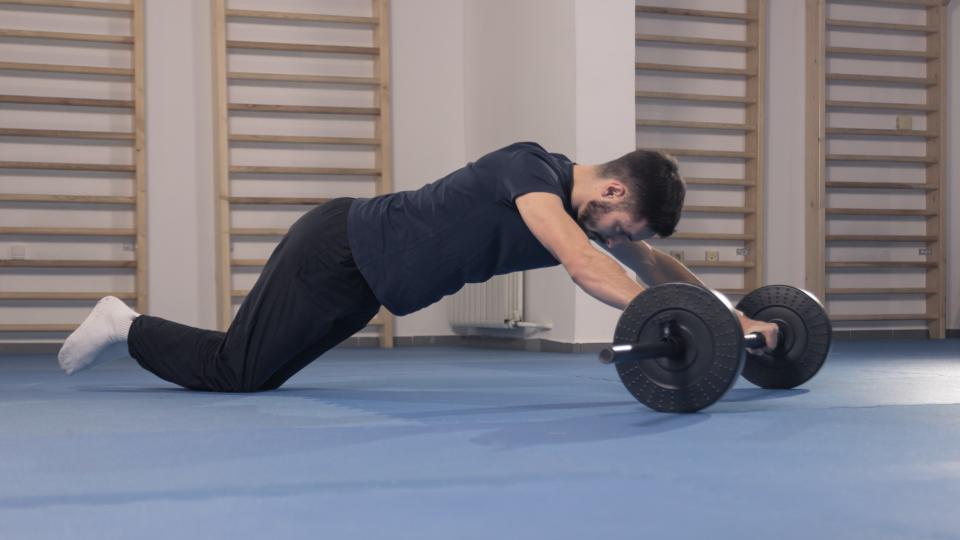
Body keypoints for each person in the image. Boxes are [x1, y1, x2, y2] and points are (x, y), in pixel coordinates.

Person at [57, 141, 778, 391]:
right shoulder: (531, 171)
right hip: (336, 248)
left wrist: (731, 318)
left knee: (251, 370)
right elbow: (585, 265)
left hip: (364, 280)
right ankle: (126, 323)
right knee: (238, 372)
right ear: (614, 191)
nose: (623, 236)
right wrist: (676, 319)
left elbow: (655, 266)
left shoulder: (597, 216)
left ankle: (135, 328)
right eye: (625, 222)